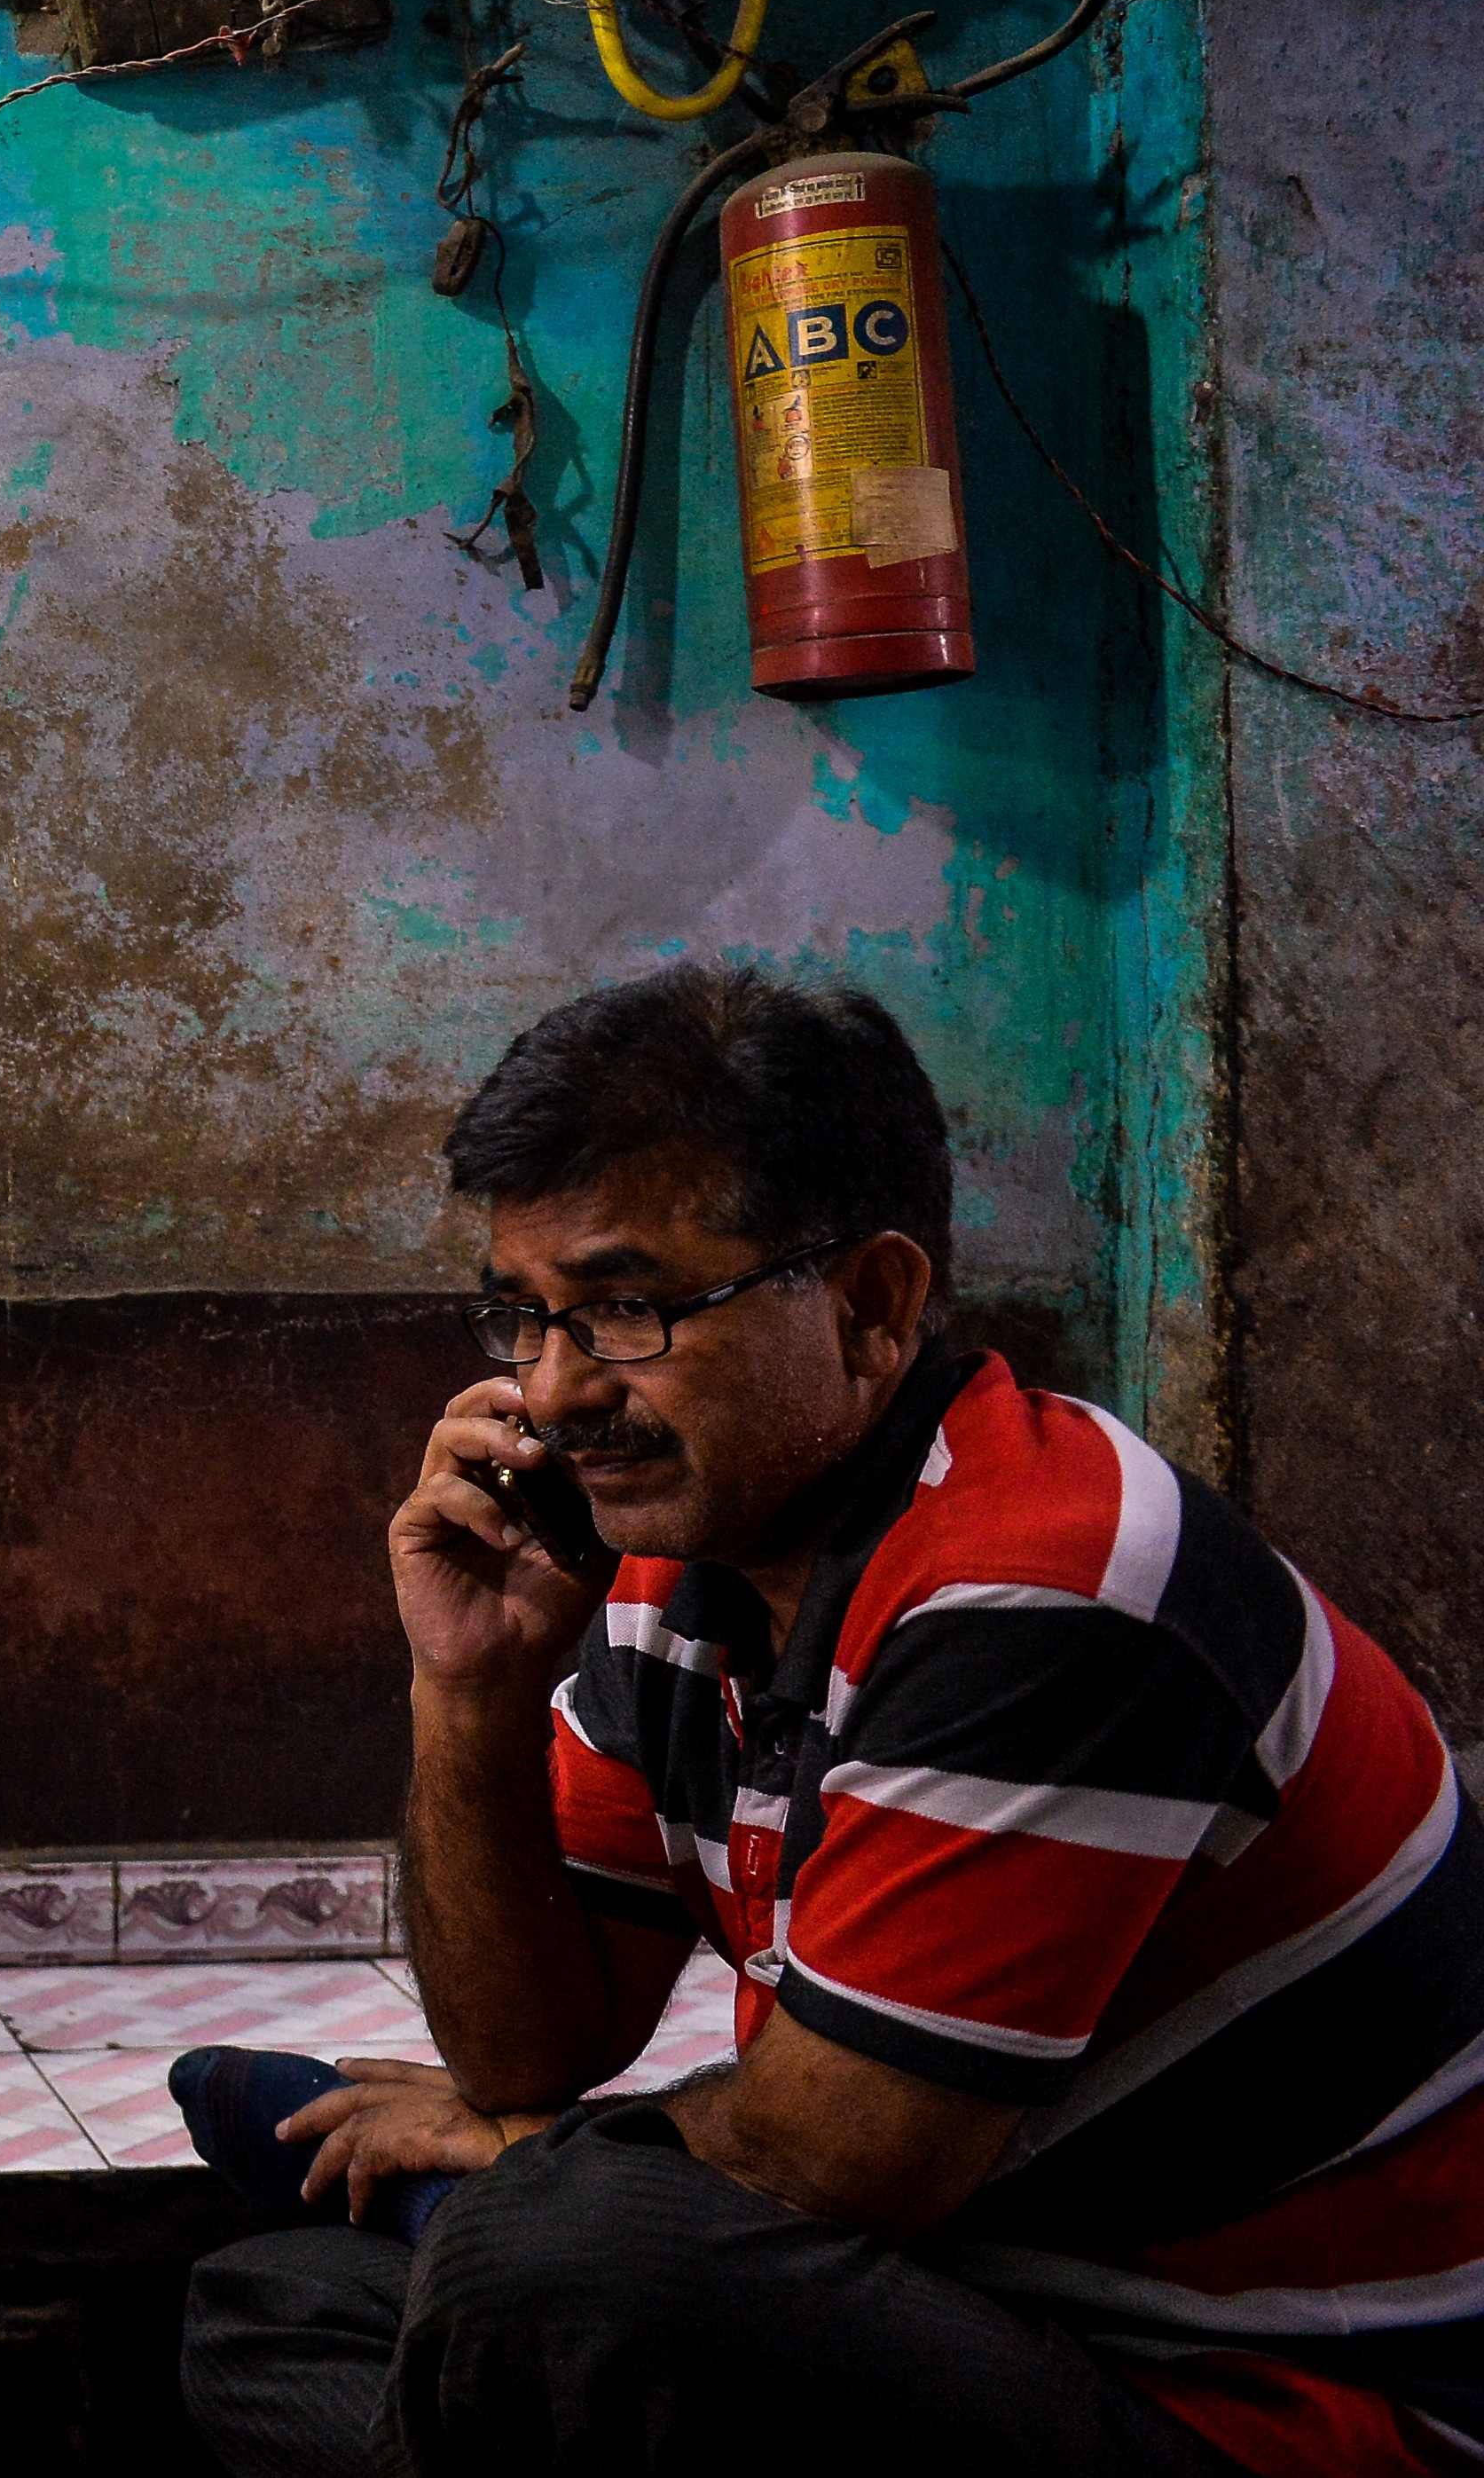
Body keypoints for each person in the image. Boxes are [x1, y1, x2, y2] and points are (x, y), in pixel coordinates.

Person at [181, 967, 1484, 2478]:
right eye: (522, 1318)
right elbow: (527, 2047)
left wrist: (527, 2170)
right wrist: (465, 1690)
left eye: (626, 1310)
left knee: (564, 2261)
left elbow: (832, 2161)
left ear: (872, 1306)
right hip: (972, 2316)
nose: (551, 1392)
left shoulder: (1047, 1580)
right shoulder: (679, 1564)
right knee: (274, 2306)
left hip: (1264, 2410)